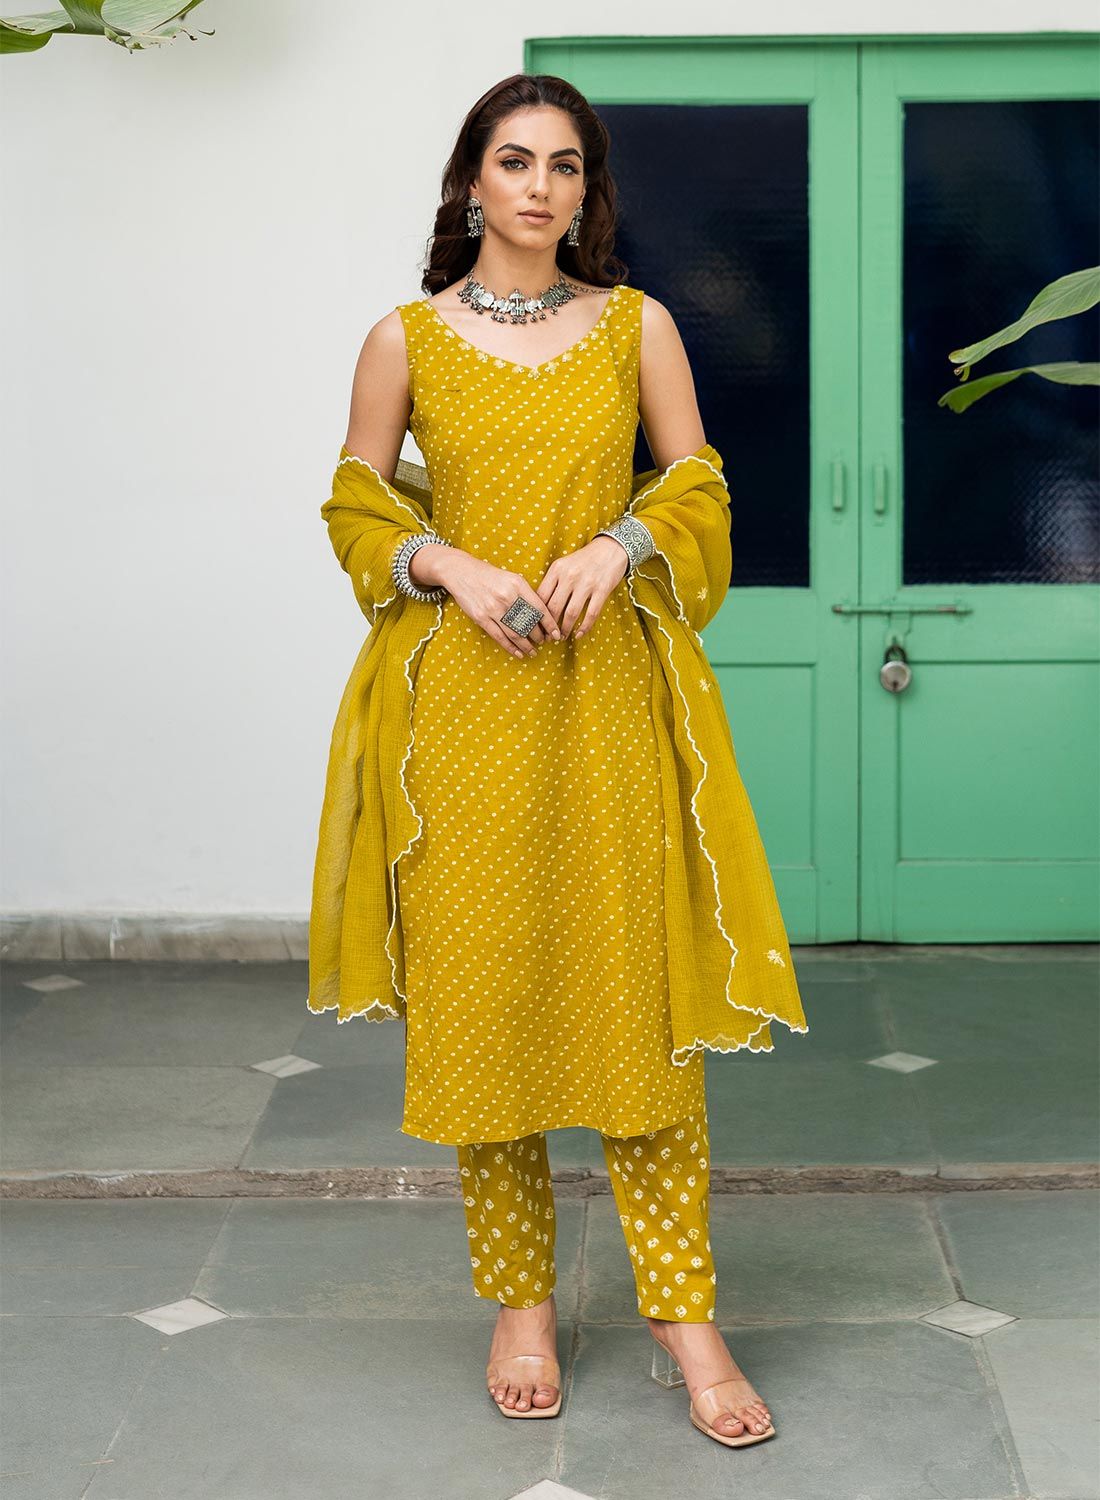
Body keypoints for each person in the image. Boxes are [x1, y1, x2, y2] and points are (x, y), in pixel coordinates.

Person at [307, 72, 809, 1449]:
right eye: (516, 160)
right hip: (466, 711)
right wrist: (447, 563)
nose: (541, 187)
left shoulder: (637, 325)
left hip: (606, 702)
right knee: (485, 1008)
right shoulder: (405, 339)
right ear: (471, 180)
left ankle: (685, 1318)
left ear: (590, 189)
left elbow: (696, 480)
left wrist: (620, 543)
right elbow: (356, 509)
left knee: (636, 1007)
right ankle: (520, 1308)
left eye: (566, 165)